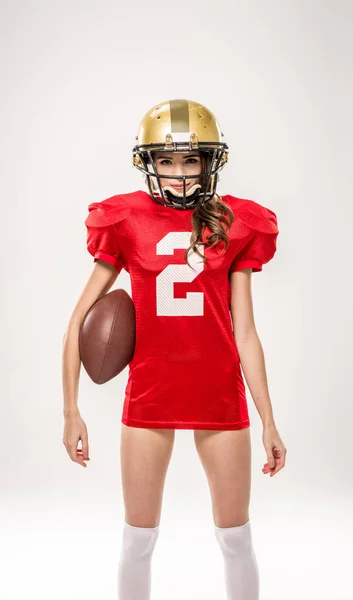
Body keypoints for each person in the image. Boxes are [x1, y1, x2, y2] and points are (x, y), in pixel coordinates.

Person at [62, 98, 287, 600]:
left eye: (191, 160)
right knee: (138, 540)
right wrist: (71, 410)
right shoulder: (124, 220)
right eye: (166, 160)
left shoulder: (236, 222)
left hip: (218, 393)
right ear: (149, 164)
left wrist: (268, 418)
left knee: (236, 538)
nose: (179, 172)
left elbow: (245, 331)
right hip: (150, 395)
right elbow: (77, 320)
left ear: (211, 162)